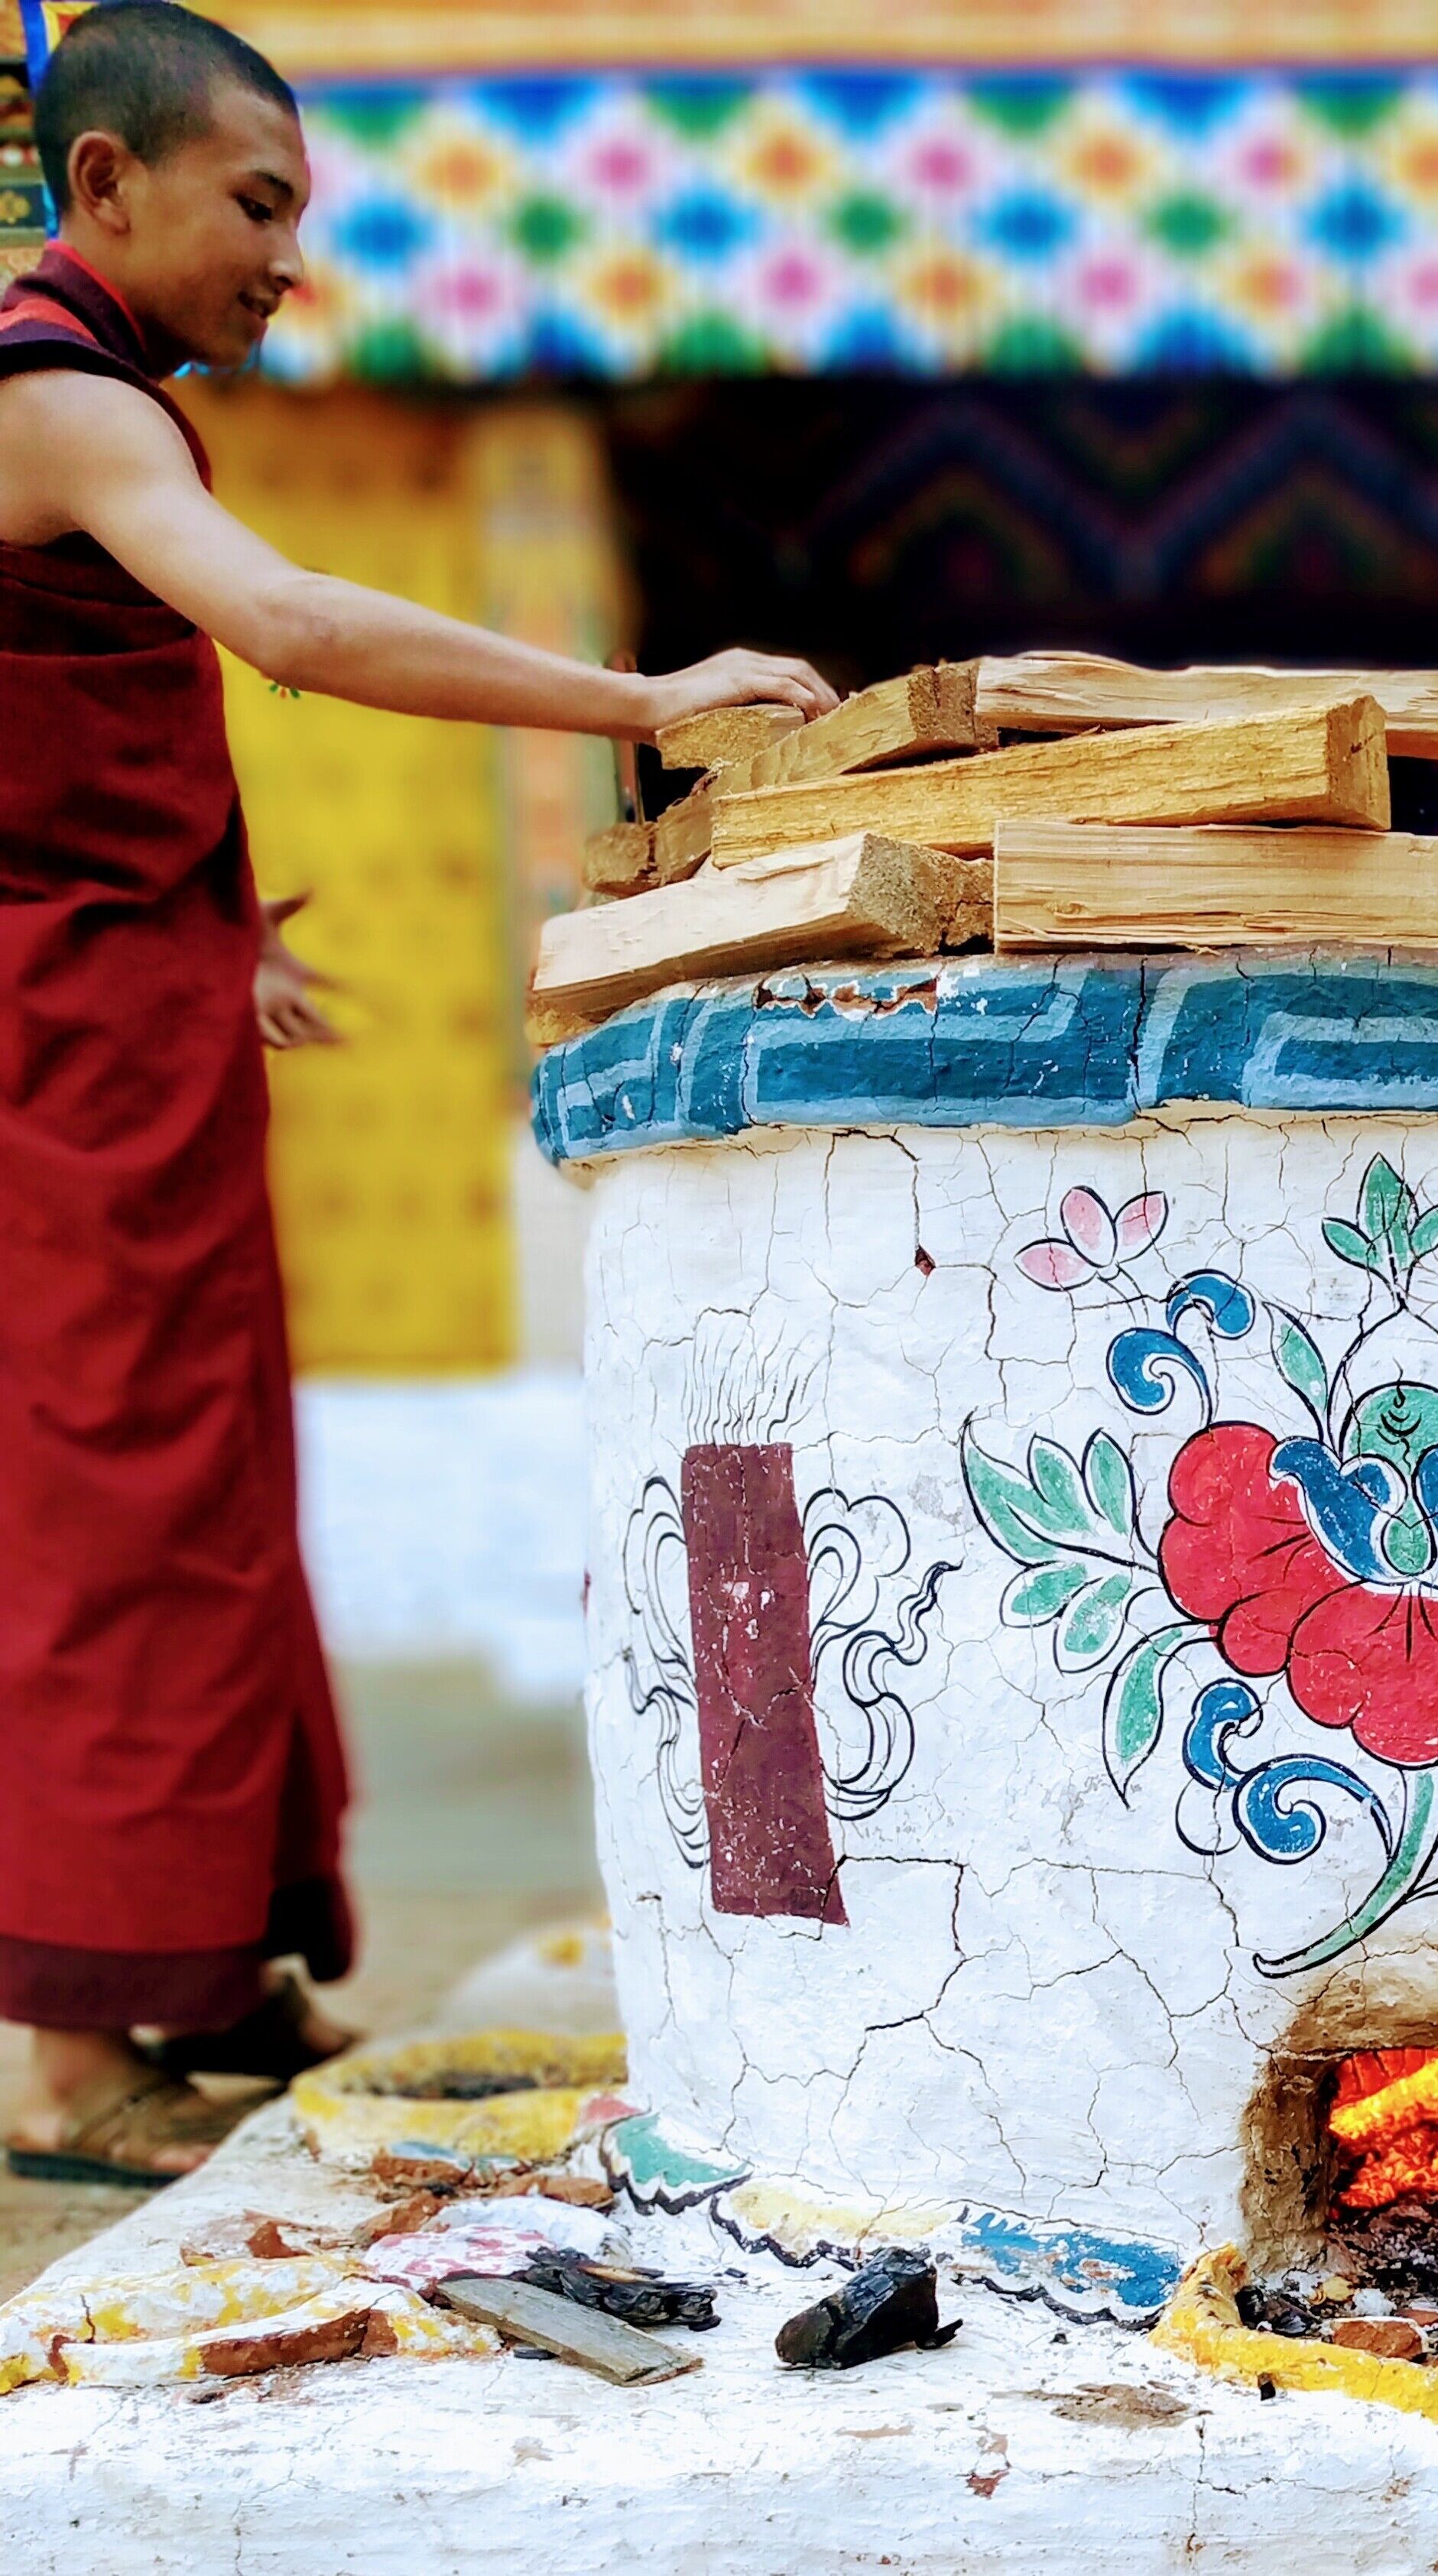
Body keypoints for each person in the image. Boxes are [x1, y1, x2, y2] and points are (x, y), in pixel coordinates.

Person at [0, 2, 837, 2185]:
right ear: (109, 188)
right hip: (61, 1065)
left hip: (121, 1023)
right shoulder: (64, 406)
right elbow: (293, 630)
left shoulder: (94, 412)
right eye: (257, 203)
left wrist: (191, 917)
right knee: (115, 1520)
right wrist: (642, 690)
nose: (289, 259)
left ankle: (212, 1975)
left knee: (205, 1495)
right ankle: (82, 2069)